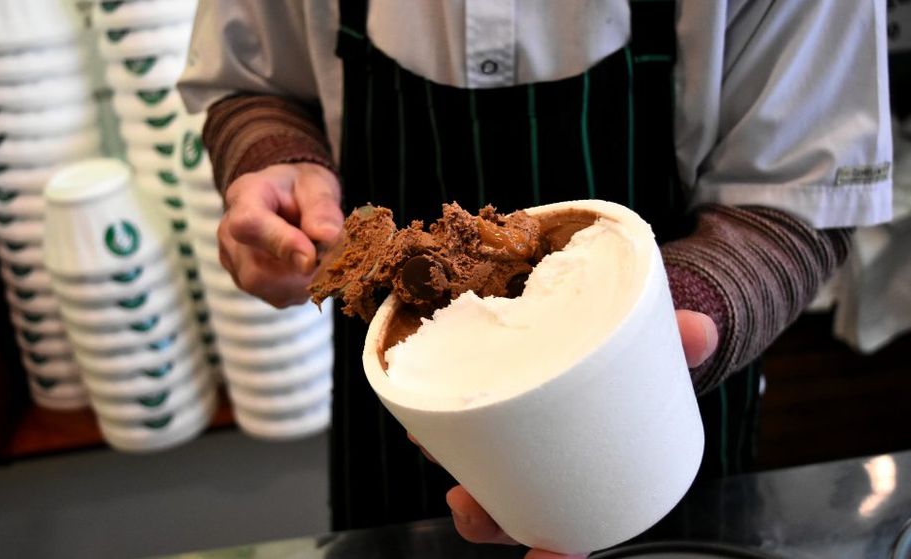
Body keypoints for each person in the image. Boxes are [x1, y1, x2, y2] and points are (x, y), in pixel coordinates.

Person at [178, 1, 892, 557]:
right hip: (404, 412)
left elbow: (802, 197)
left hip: (667, 409)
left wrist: (675, 320)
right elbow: (255, 84)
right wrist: (270, 160)